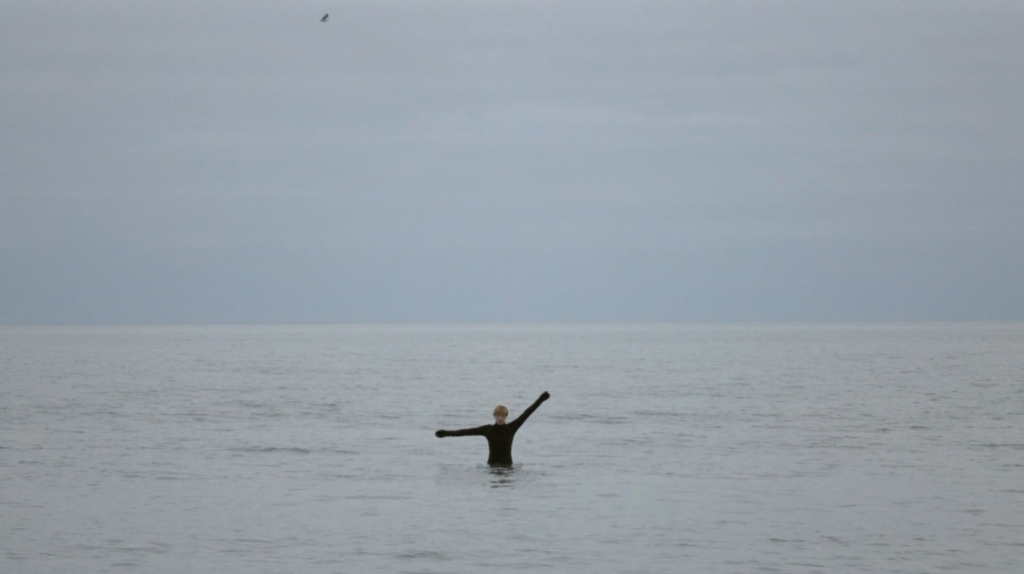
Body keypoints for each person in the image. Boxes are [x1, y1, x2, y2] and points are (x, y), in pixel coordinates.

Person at [435, 391, 550, 466]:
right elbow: (467, 432)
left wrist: (541, 399)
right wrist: (446, 433)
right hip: (492, 466)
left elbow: (527, 413)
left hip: (507, 466)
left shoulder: (512, 428)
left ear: (506, 416)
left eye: (502, 416)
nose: (500, 418)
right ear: (494, 416)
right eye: (498, 415)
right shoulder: (488, 430)